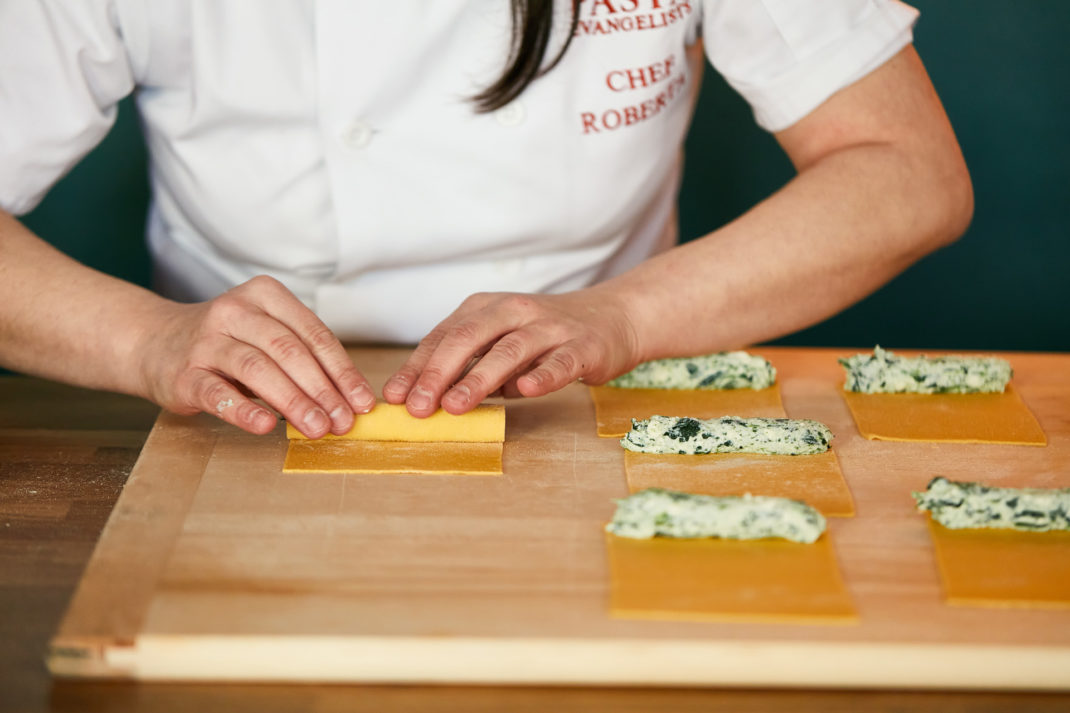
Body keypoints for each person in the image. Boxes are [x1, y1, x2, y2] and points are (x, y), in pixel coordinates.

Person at [0, 1, 972, 439]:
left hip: (602, 414)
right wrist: (146, 339)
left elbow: (906, 174)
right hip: (234, 427)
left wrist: (622, 318)